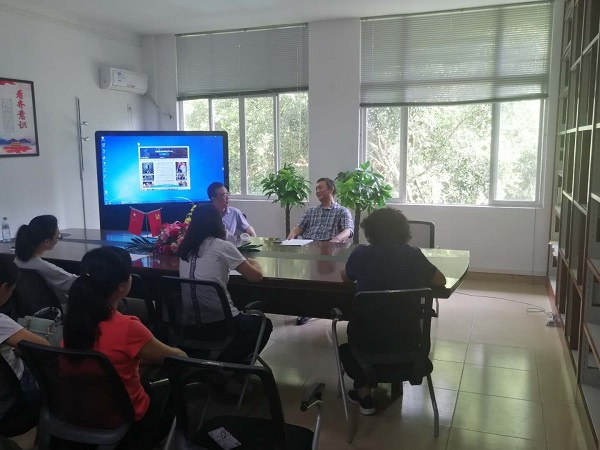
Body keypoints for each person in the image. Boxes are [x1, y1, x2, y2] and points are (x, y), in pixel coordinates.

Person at [62, 246, 187, 450]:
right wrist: (180, 353)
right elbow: (176, 359)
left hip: (80, 414)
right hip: (126, 418)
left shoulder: (73, 322)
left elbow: (104, 356)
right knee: (172, 393)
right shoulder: (128, 327)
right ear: (122, 286)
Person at [339, 208, 446, 416]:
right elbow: (440, 280)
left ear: (370, 232)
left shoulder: (361, 254)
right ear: (403, 231)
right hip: (408, 343)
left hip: (364, 346)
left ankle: (364, 391)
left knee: (359, 338)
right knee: (389, 332)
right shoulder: (413, 255)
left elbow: (345, 277)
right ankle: (366, 388)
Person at [177, 203, 272, 367]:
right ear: (217, 223)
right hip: (221, 323)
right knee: (263, 324)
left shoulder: (184, 248)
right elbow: (256, 277)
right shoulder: (222, 246)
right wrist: (254, 263)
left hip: (189, 323)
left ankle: (219, 362)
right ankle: (230, 366)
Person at [287, 177, 354, 325]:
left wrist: (336, 239)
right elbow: (299, 226)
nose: (317, 191)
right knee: (306, 281)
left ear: (331, 189)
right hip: (309, 250)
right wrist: (292, 235)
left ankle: (328, 308)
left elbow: (348, 230)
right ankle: (306, 309)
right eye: (316, 188)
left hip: (330, 251)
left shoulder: (342, 211)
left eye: (320, 188)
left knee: (327, 283)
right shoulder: (311, 211)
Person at [0, 258, 49, 435]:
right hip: (14, 397)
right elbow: (44, 348)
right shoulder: (2, 323)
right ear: (3, 287)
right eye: (12, 290)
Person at [14, 215, 77, 304]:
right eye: (58, 237)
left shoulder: (16, 260)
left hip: (26, 306)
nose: (59, 239)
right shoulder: (45, 268)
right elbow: (76, 283)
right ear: (47, 242)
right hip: (52, 309)